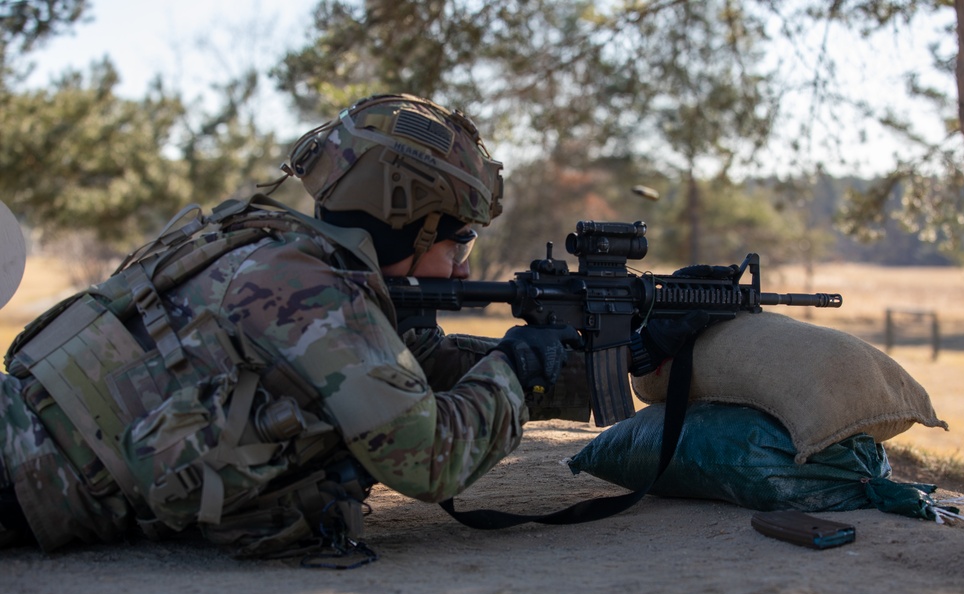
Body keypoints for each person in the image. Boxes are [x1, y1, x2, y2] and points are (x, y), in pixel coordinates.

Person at [0, 94, 600, 557]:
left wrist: (596, 359)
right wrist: (516, 371)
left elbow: (401, 371)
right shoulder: (313, 295)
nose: (465, 262)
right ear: (409, 221)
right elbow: (426, 458)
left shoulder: (284, 253)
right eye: (458, 238)